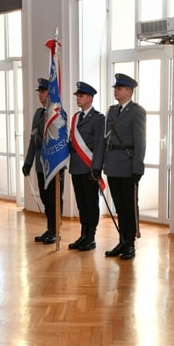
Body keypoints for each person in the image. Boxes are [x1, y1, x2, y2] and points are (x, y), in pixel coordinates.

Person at [96, 74, 146, 261]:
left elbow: (140, 141)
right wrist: (99, 165)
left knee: (129, 207)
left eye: (119, 88)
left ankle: (130, 244)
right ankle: (122, 241)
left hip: (127, 165)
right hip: (113, 165)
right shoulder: (112, 111)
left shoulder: (136, 111)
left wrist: (138, 168)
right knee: (118, 207)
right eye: (115, 88)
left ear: (129, 91)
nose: (116, 90)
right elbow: (105, 140)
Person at [22, 78, 64, 245]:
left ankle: (56, 231)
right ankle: (50, 228)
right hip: (41, 163)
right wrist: (28, 162)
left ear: (51, 93)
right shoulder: (39, 114)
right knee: (46, 198)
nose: (40, 94)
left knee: (55, 199)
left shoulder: (58, 114)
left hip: (53, 164)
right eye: (39, 91)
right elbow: (33, 140)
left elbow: (61, 141)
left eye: (43, 91)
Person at [68, 81, 105, 251]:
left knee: (91, 204)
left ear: (90, 98)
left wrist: (96, 168)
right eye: (77, 95)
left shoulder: (98, 119)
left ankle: (91, 237)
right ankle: (83, 235)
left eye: (81, 96)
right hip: (76, 167)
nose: (78, 98)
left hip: (89, 168)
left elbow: (99, 145)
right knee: (81, 204)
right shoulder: (76, 117)